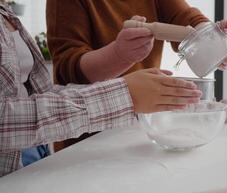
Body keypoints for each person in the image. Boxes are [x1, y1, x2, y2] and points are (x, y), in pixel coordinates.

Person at [0, 4, 202, 177]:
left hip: (37, 152)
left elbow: (184, 17)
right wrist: (122, 94)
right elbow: (68, 68)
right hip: (84, 142)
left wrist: (211, 33)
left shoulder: (6, 12)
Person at [46, 0, 227, 149]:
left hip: (142, 131)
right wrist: (118, 55)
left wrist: (213, 41)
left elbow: (185, 17)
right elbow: (68, 71)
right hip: (88, 138)